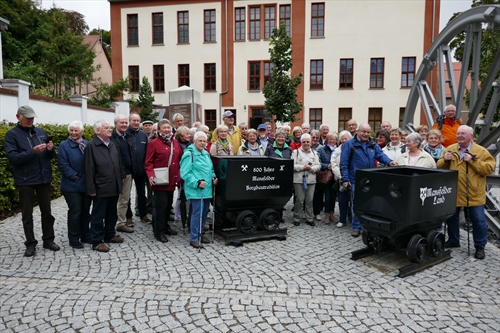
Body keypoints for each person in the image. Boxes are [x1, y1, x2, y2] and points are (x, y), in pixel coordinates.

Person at [4, 105, 60, 257]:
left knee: (47, 212)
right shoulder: (12, 135)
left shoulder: (41, 132)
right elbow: (13, 159)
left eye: (32, 118)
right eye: (27, 118)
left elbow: (50, 157)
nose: (30, 120)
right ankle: (30, 244)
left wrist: (50, 150)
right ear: (18, 117)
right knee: (27, 215)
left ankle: (48, 240)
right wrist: (32, 152)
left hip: (43, 178)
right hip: (25, 180)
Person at [437, 125, 495, 260]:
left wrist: (474, 161)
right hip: (455, 191)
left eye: (463, 133)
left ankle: (480, 246)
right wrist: (445, 160)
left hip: (474, 193)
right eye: (458, 134)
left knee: (478, 220)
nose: (459, 136)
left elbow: (489, 168)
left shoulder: (481, 151)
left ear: (471, 136)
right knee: (451, 217)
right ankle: (453, 240)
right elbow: (439, 165)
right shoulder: (450, 149)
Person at [340, 124, 398, 237]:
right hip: (356, 179)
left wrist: (389, 162)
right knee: (357, 203)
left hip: (370, 178)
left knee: (370, 203)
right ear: (358, 131)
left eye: (368, 132)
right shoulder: (349, 144)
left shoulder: (372, 144)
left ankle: (367, 225)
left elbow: (380, 155)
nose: (366, 134)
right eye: (364, 132)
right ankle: (356, 227)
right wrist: (345, 179)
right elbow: (344, 163)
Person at [84, 120, 124, 252]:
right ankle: (96, 241)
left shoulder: (112, 144)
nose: (109, 129)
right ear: (98, 131)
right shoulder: (91, 146)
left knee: (112, 213)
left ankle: (109, 234)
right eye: (106, 128)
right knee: (98, 215)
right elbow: (89, 168)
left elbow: (117, 163)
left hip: (114, 185)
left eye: (109, 127)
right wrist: (91, 188)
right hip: (100, 186)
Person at [145, 119, 182, 243]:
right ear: (159, 130)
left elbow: (179, 160)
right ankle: (158, 231)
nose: (167, 130)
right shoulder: (154, 143)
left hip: (172, 181)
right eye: (164, 128)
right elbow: (148, 162)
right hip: (160, 181)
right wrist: (150, 175)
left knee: (167, 206)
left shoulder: (175, 143)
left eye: (168, 127)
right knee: (160, 207)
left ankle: (166, 227)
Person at [180, 131, 218, 249]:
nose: (202, 143)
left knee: (205, 213)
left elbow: (210, 169)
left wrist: (213, 177)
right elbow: (185, 173)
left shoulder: (206, 154)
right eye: (200, 141)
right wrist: (196, 182)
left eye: (204, 141)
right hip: (196, 189)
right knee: (197, 213)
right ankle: (194, 238)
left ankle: (201, 234)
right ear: (194, 141)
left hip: (206, 189)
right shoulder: (189, 154)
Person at [57, 120, 91, 249]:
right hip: (72, 185)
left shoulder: (86, 144)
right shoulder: (64, 145)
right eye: (71, 130)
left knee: (85, 211)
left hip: (86, 184)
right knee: (75, 211)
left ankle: (86, 235)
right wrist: (75, 176)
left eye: (76, 130)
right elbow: (63, 165)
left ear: (82, 132)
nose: (73, 133)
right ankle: (74, 237)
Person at [110, 115, 135, 233]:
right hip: (115, 174)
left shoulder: (128, 137)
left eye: (126, 123)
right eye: (122, 123)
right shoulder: (111, 138)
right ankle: (110, 224)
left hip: (128, 173)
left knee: (125, 200)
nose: (124, 125)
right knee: (113, 200)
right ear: (116, 124)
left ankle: (120, 223)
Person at [292, 134, 321, 227]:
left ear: (310, 142)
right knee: (300, 200)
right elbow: (292, 165)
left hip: (311, 180)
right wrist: (303, 167)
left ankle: (309, 218)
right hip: (299, 180)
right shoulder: (295, 152)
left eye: (307, 142)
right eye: (304, 142)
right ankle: (297, 218)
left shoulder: (314, 153)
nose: (306, 143)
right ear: (301, 142)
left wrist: (311, 168)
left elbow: (318, 165)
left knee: (309, 200)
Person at [127, 113, 150, 226]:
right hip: (128, 169)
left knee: (141, 193)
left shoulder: (143, 135)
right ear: (129, 121)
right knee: (126, 194)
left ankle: (143, 214)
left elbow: (146, 152)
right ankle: (128, 217)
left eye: (137, 120)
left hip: (141, 169)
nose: (136, 123)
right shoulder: (125, 134)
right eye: (133, 120)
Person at [331, 130, 352, 228]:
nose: (344, 140)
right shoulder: (337, 150)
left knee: (352, 201)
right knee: (342, 201)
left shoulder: (354, 149)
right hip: (341, 180)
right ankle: (342, 219)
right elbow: (334, 164)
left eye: (346, 138)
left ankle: (352, 219)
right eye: (342, 139)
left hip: (352, 179)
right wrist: (341, 177)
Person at [316, 132, 339, 224]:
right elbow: (318, 162)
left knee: (334, 196)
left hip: (336, 176)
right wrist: (327, 166)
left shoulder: (338, 150)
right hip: (327, 176)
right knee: (328, 196)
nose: (332, 141)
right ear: (327, 140)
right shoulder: (322, 150)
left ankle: (332, 214)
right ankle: (326, 214)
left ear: (336, 141)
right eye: (330, 139)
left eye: (333, 139)